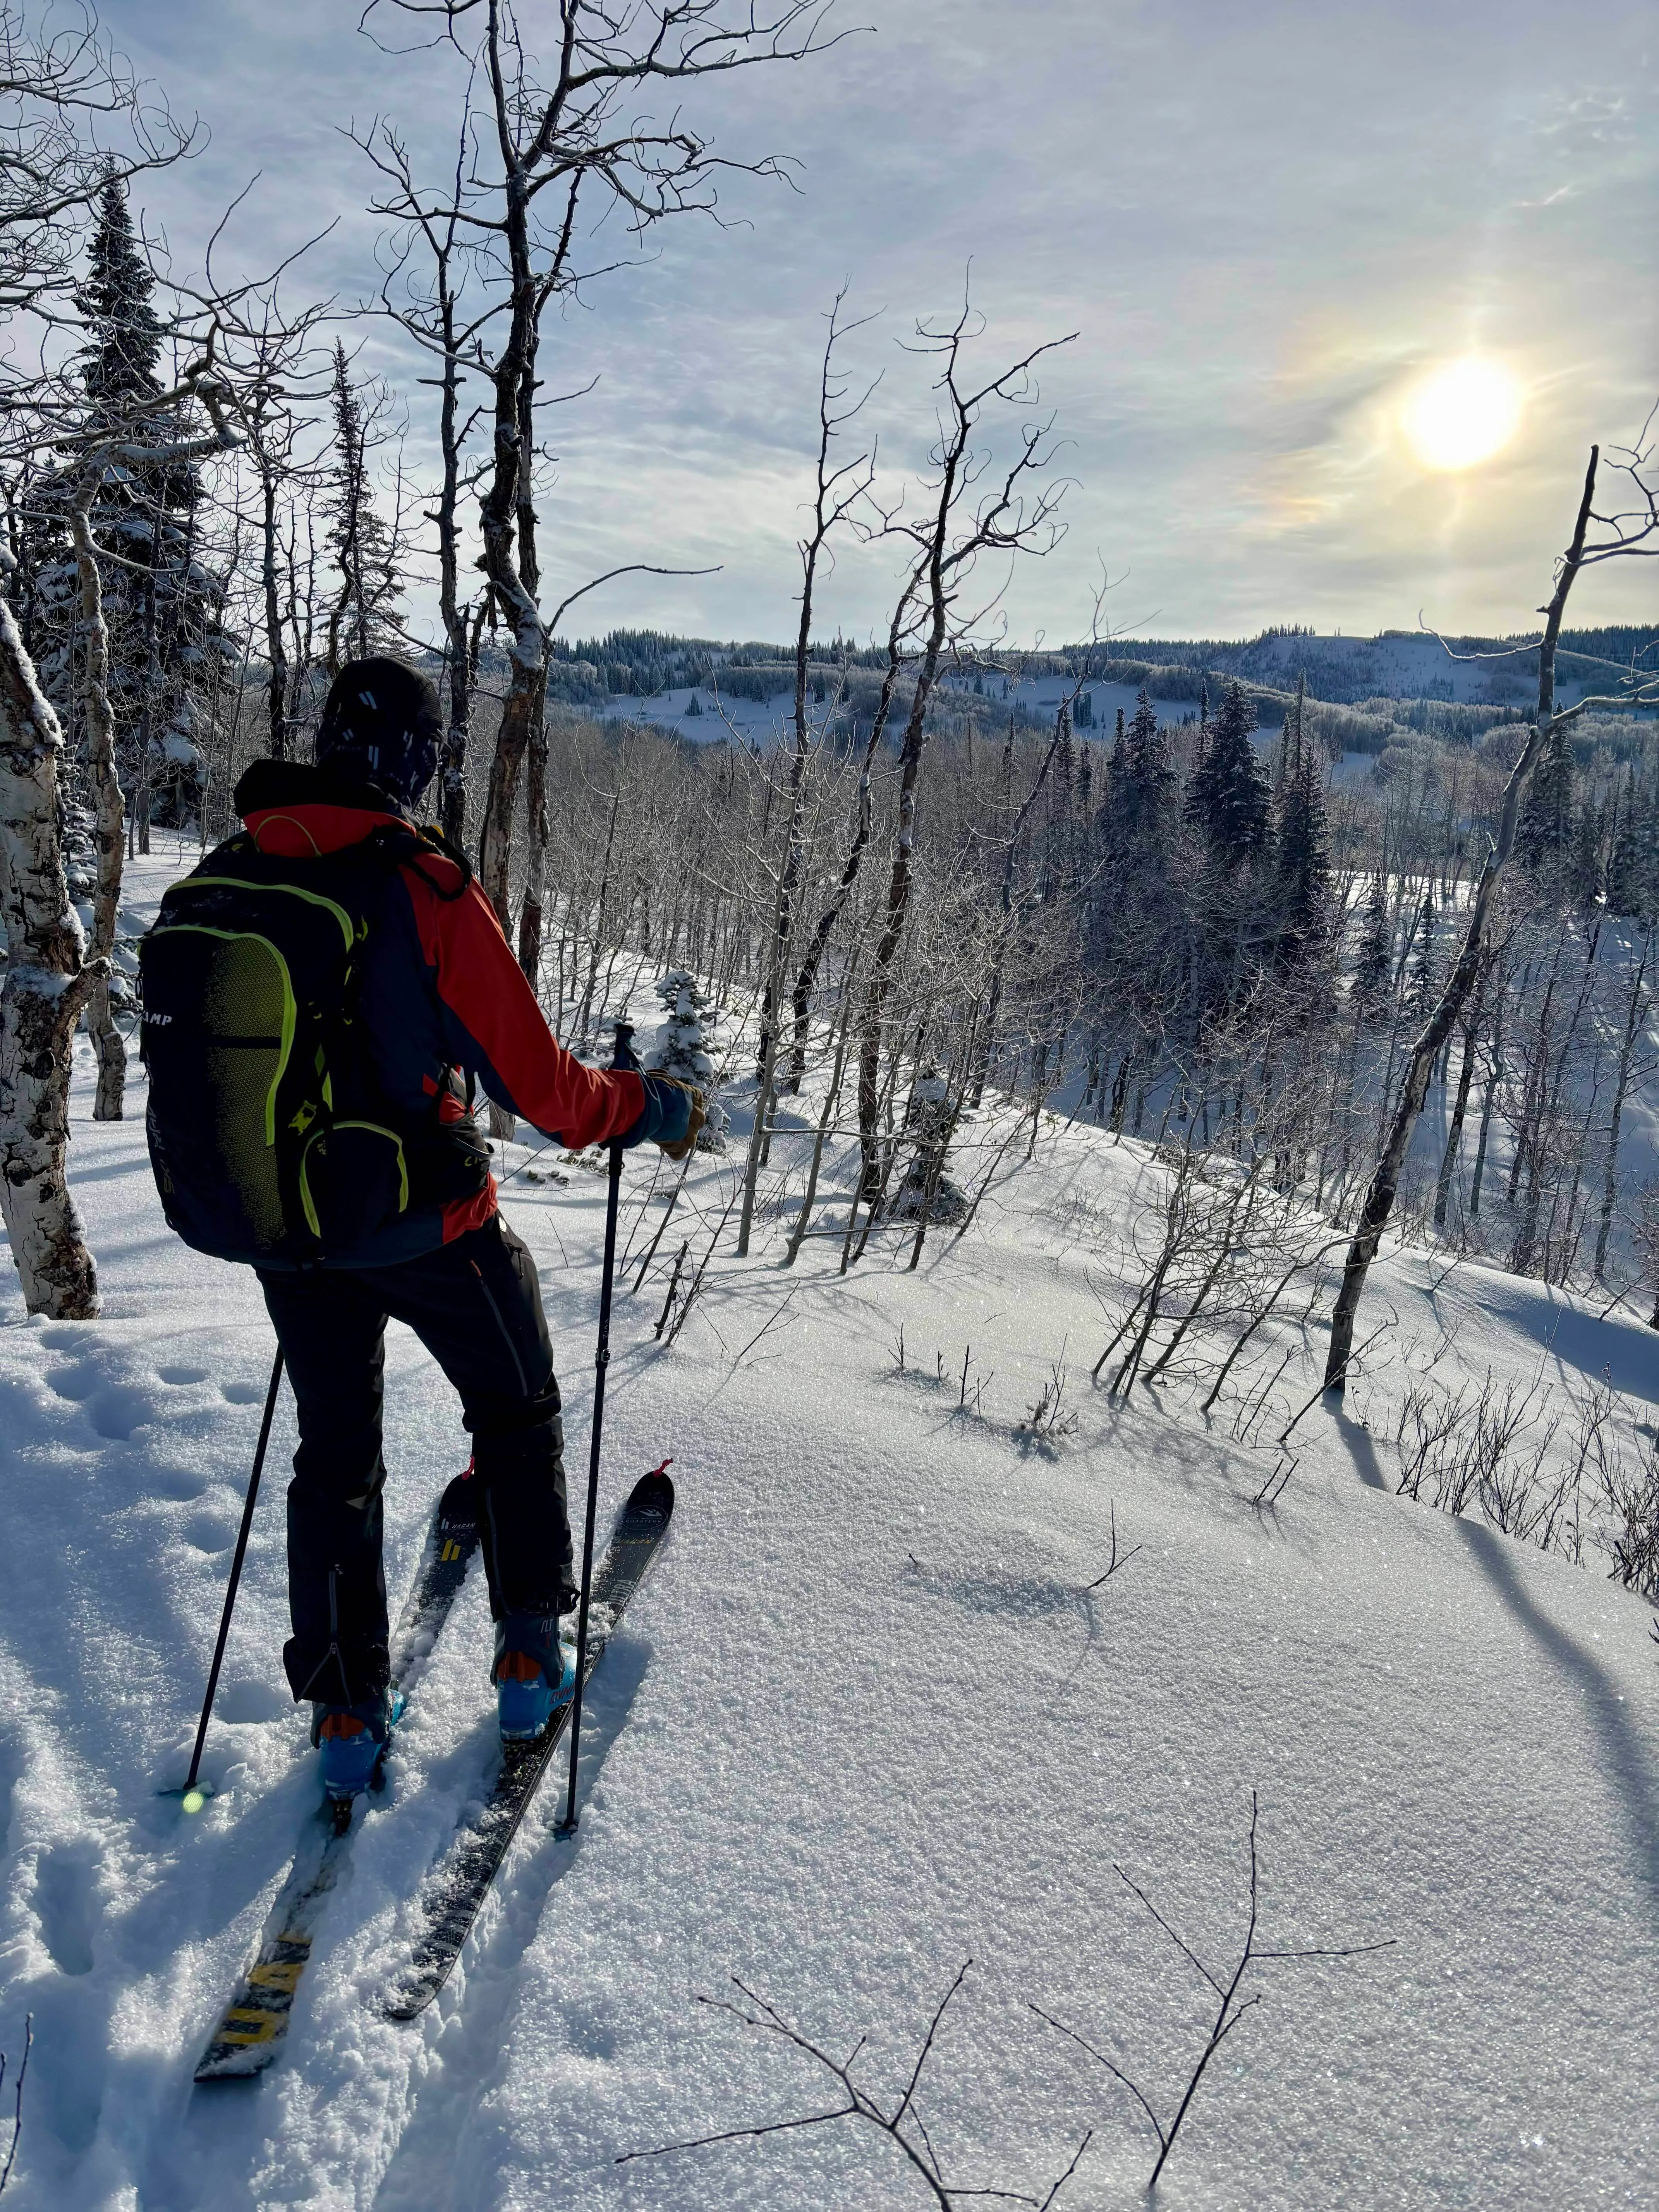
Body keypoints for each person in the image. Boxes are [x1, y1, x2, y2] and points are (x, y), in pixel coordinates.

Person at [222, 658, 699, 1798]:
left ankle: (344, 1717)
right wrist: (648, 1106)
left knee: (334, 1459)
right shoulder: (424, 887)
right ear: (419, 764)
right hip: (428, 1223)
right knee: (517, 1408)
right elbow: (546, 1093)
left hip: (287, 1231)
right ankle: (530, 1654)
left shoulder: (231, 867)